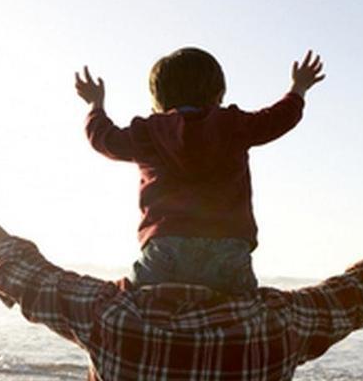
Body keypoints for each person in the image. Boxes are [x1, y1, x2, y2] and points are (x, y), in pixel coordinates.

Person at [0, 165, 363, 381]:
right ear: (241, 263)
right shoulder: (274, 327)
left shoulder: (111, 318)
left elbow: (26, 274)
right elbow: (361, 291)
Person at [75, 47, 325, 295]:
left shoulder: (148, 132)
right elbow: (279, 118)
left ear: (157, 101)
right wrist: (298, 88)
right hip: (229, 250)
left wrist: (95, 105)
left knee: (134, 297)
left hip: (165, 249)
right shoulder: (233, 124)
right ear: (218, 95)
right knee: (243, 301)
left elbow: (104, 139)